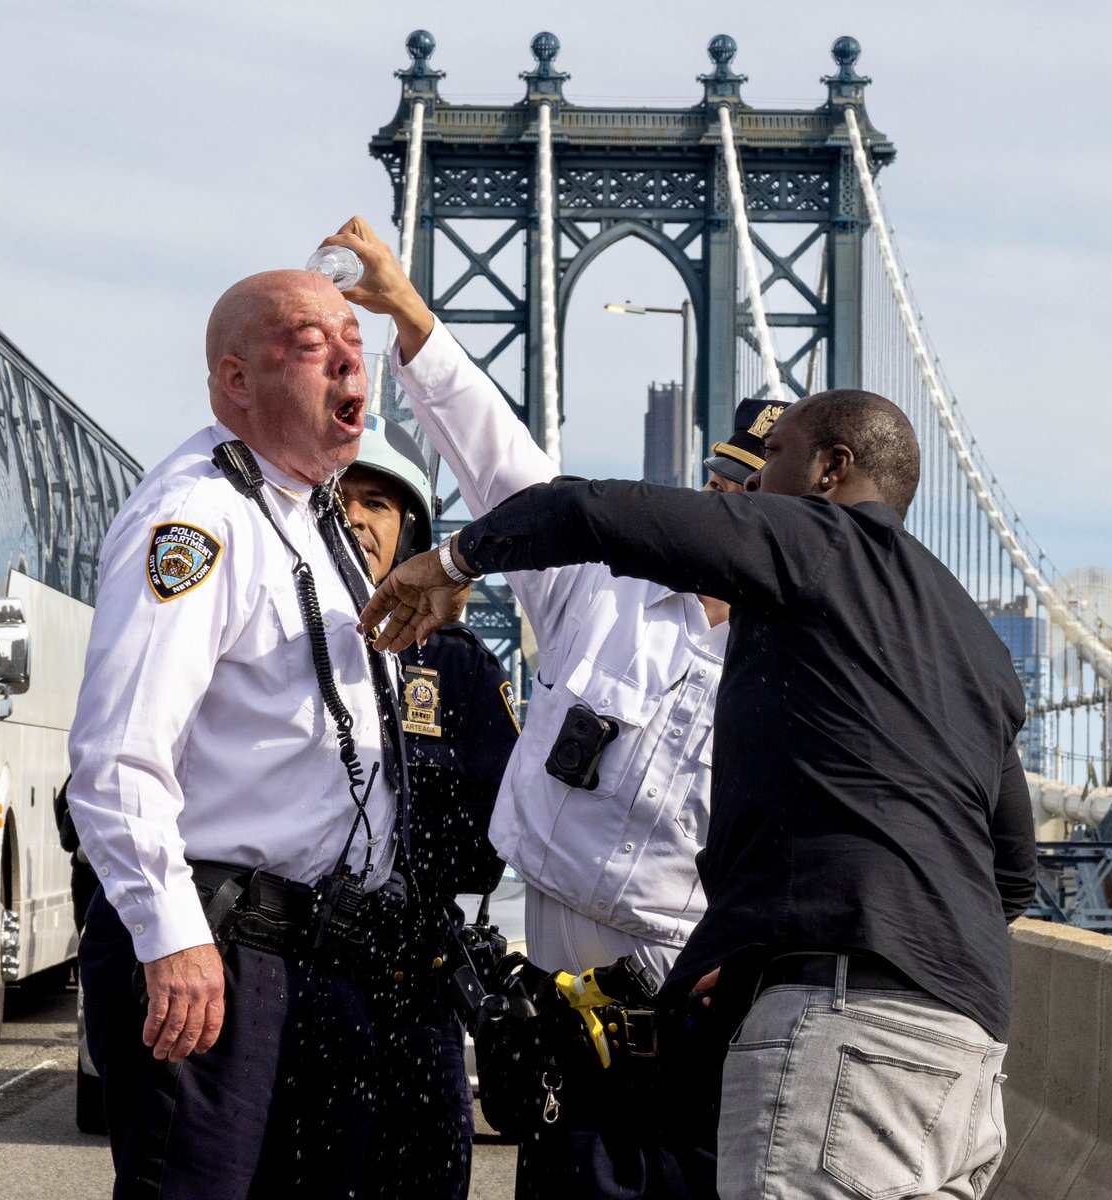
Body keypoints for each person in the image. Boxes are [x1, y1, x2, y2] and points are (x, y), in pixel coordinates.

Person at [361, 389, 1039, 1200]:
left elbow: (584, 510)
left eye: (772, 463)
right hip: (966, 1051)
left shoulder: (813, 539)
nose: (747, 497)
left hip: (841, 1030)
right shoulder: (973, 637)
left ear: (831, 471)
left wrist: (453, 561)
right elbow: (1012, 874)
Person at [322, 216, 741, 1199]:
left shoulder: (798, 667)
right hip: (564, 1051)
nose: (731, 511)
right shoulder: (604, 590)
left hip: (702, 1043)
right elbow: (502, 467)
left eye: (756, 499)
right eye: (721, 489)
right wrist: (412, 315)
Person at [67, 268, 411, 1198]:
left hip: (317, 952)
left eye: (353, 338)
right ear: (235, 381)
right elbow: (117, 754)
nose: (348, 357)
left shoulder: (306, 519)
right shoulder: (199, 517)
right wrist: (173, 938)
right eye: (309, 343)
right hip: (222, 952)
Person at [338, 412, 520, 1199]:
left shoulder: (458, 668)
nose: (354, 515)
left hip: (414, 980)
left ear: (410, 528)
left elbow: (500, 832)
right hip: (283, 966)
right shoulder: (251, 640)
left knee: (429, 1179)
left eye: (378, 503)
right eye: (340, 497)